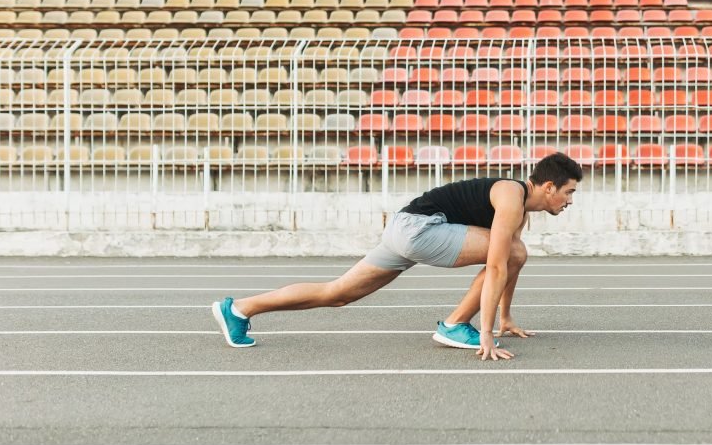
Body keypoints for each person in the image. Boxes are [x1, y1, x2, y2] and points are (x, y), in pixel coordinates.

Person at [212, 152, 582, 361]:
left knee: (338, 293)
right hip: (419, 230)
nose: (569, 201)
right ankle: (455, 326)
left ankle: (240, 309)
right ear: (547, 186)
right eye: (568, 192)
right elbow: (500, 263)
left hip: (405, 229)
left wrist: (505, 316)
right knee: (513, 251)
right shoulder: (509, 196)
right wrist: (485, 332)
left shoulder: (519, 210)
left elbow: (505, 267)